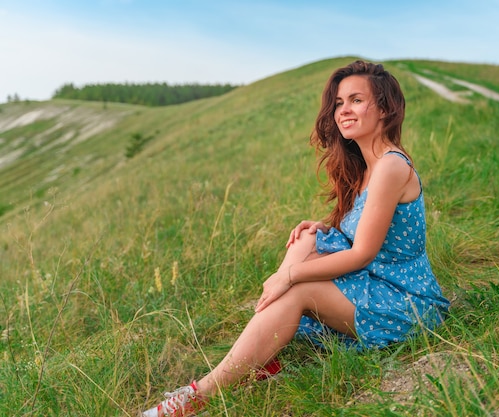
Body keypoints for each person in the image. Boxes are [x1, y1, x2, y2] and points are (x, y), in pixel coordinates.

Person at [142, 60, 450, 417]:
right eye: (338, 103)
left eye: (356, 100)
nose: (344, 110)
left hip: (405, 301)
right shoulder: (368, 166)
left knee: (299, 286)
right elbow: (363, 230)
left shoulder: (391, 166)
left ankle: (199, 395)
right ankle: (261, 347)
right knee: (306, 238)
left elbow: (363, 253)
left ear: (385, 108)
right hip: (376, 283)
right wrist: (320, 227)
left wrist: (288, 276)